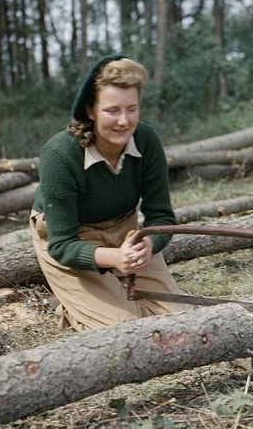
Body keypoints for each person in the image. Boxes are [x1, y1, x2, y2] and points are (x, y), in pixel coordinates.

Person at [30, 53, 187, 331]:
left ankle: (107, 288)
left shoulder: (147, 140)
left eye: (132, 109)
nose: (124, 121)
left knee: (180, 318)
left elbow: (161, 215)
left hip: (125, 230)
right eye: (112, 110)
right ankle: (70, 303)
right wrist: (116, 259)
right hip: (73, 237)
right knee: (122, 329)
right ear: (90, 111)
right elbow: (61, 244)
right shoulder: (59, 155)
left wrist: (148, 245)